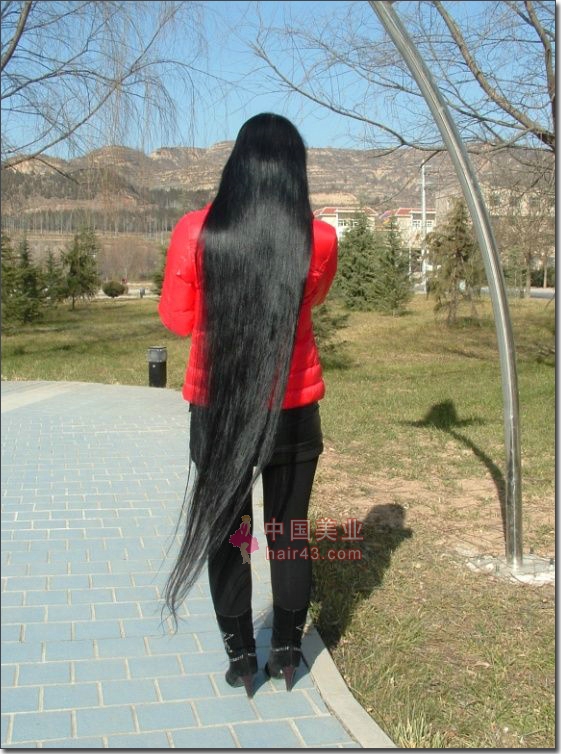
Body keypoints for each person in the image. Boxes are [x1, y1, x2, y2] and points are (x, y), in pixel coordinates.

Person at [158, 113, 338, 698]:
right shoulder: (320, 238)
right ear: (294, 170)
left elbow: (177, 320)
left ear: (237, 165)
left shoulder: (196, 231)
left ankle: (241, 658)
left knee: (229, 534)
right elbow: (312, 299)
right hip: (293, 407)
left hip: (220, 412)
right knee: (288, 532)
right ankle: (286, 652)